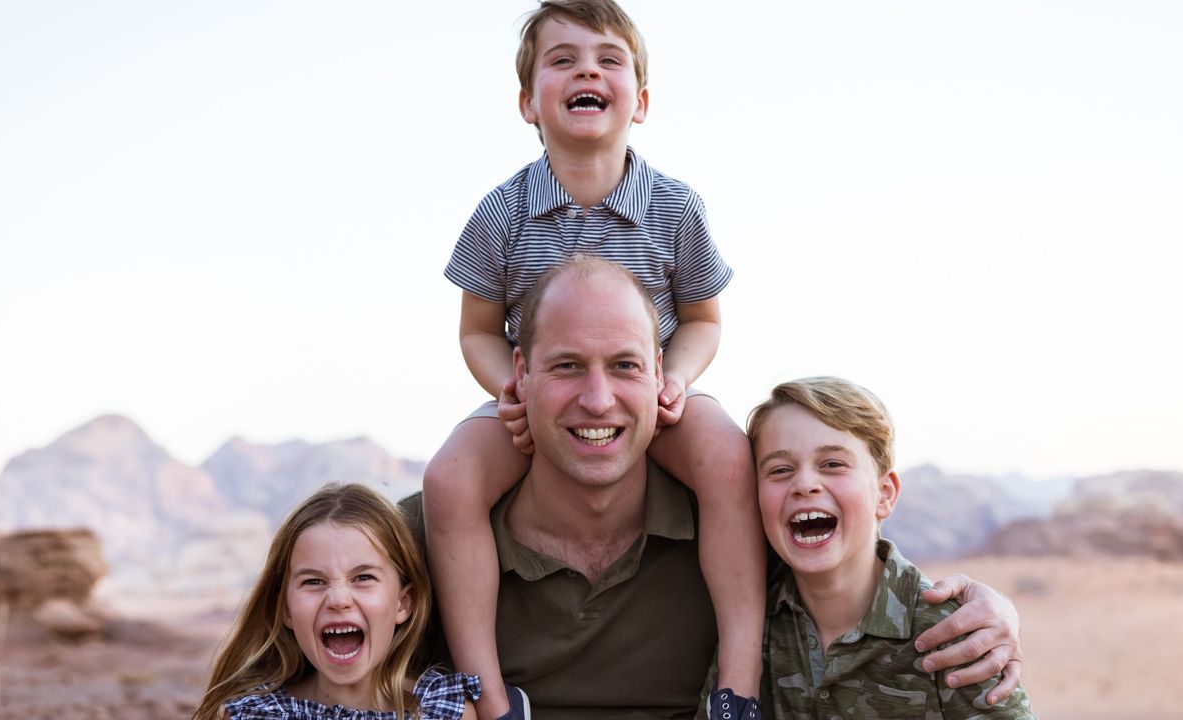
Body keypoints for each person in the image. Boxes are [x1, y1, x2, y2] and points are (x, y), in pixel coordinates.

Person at [402, 256, 1024, 720]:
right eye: (567, 365)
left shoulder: (735, 541)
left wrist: (988, 611)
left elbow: (848, 580)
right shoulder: (420, 548)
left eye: (625, 366)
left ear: (662, 378)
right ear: (520, 374)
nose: (598, 398)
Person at [424, 1, 765, 717]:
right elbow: (478, 331)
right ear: (528, 103)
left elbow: (703, 318)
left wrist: (677, 378)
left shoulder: (675, 207)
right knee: (451, 477)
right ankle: (487, 697)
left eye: (609, 59)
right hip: (536, 402)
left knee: (731, 458)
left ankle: (738, 686)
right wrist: (504, 392)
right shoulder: (501, 212)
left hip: (654, 399)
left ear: (639, 101)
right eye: (563, 59)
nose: (587, 70)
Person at [747, 377, 1035, 718]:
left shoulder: (952, 632)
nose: (805, 484)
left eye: (833, 464)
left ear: (884, 495)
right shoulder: (744, 621)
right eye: (780, 470)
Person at [193, 483, 479, 720]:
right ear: (285, 610)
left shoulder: (444, 712)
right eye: (313, 581)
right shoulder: (253, 714)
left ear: (402, 604)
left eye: (363, 577)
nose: (339, 600)